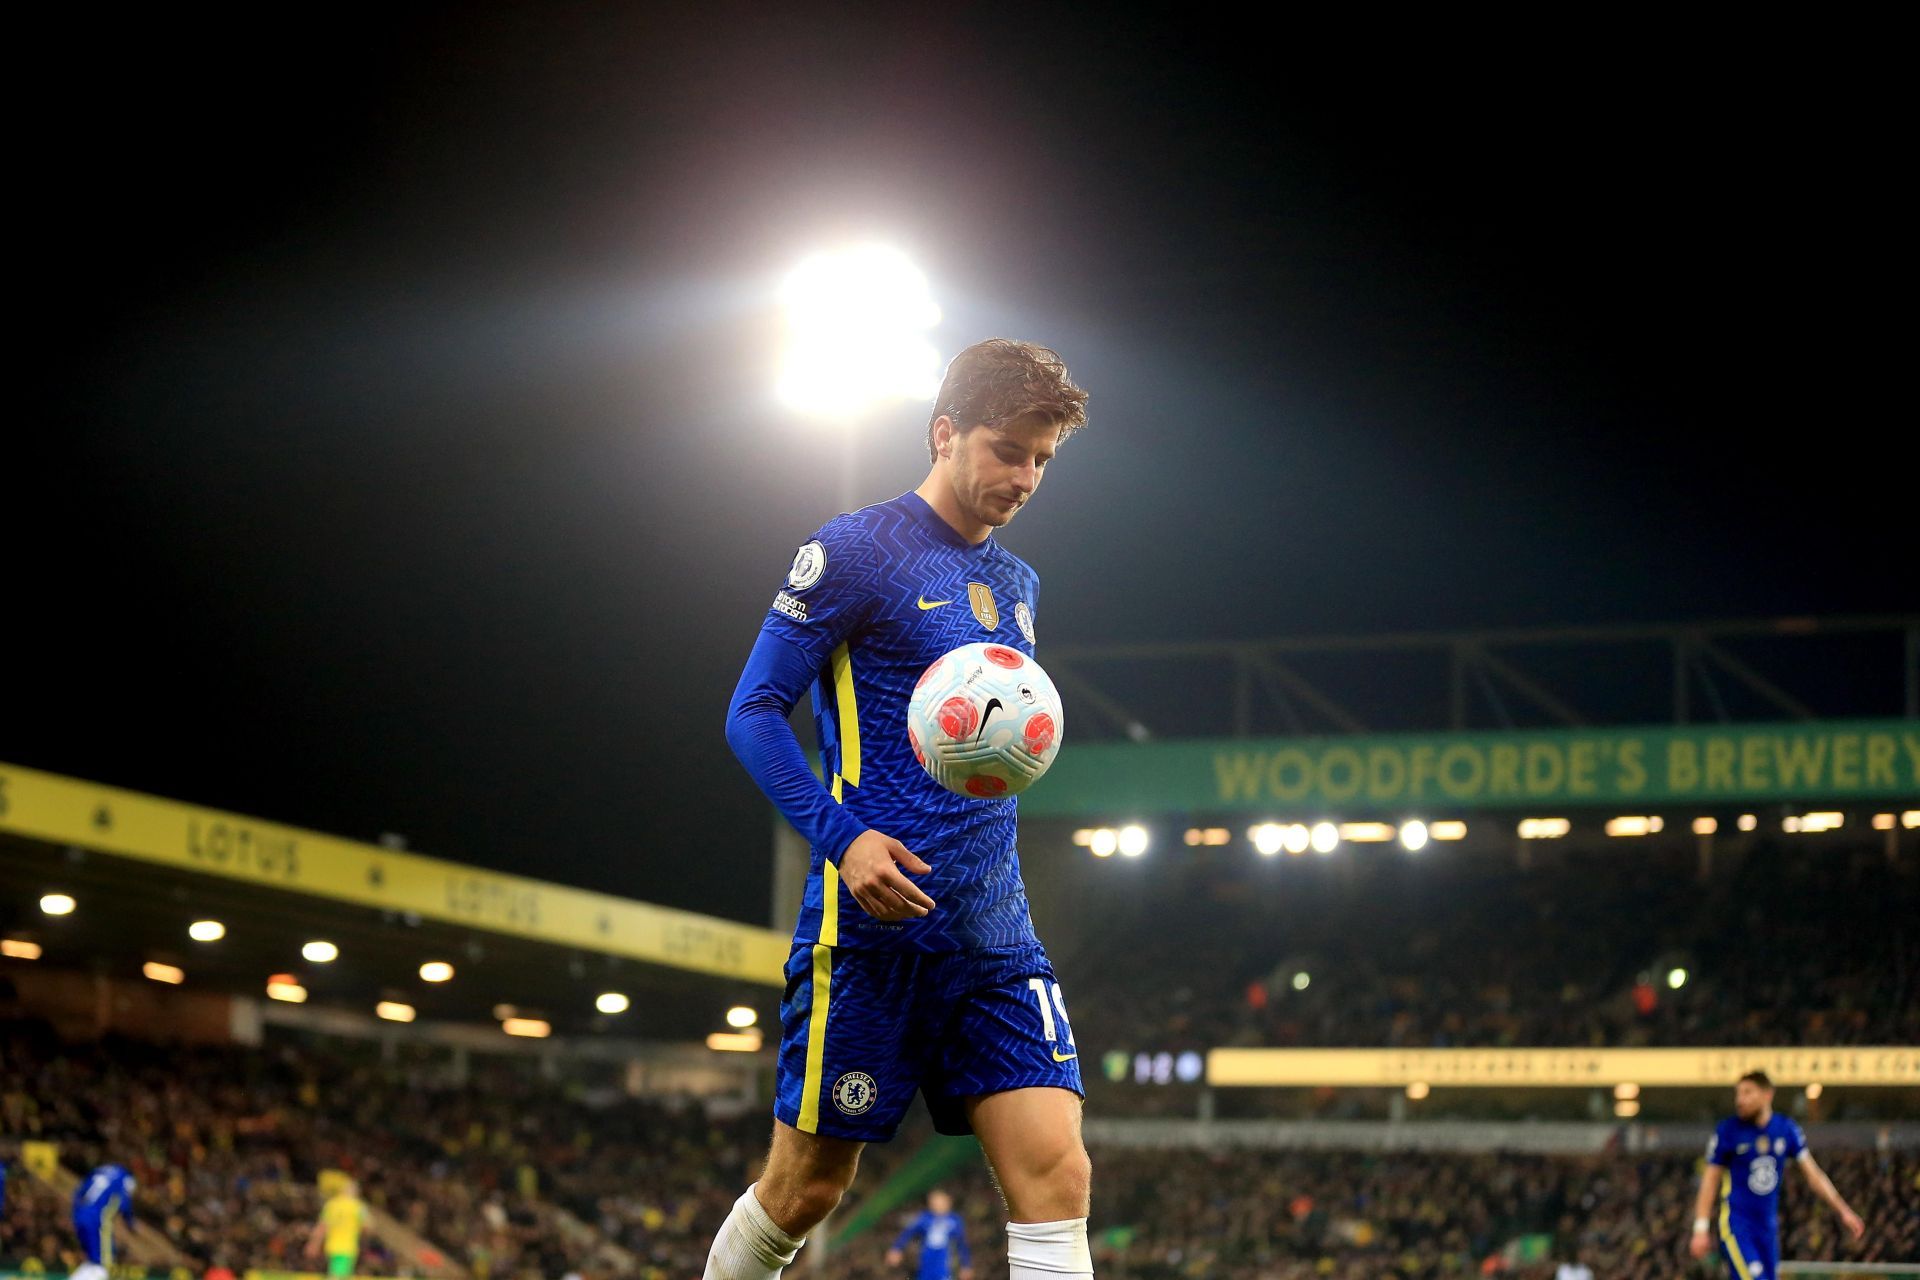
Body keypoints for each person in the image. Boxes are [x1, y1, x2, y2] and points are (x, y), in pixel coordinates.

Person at [706, 339, 1094, 1280]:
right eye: (1009, 450)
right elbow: (752, 712)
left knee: (1059, 1178)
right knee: (805, 1190)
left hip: (996, 934)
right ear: (944, 432)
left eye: (1043, 460)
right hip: (873, 934)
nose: (1027, 477)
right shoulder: (851, 552)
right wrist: (844, 842)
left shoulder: (1018, 586)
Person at [1687, 1070, 1865, 1278]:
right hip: (1737, 1226)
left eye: (1747, 1093)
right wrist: (1700, 1228)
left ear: (1767, 1095)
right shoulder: (1728, 1131)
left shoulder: (1786, 1129)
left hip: (1768, 1228)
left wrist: (1843, 1210)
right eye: (1738, 1094)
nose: (1740, 1100)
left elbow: (1813, 1175)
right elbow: (1710, 1180)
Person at [887, 1189, 973, 1280]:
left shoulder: (954, 1221)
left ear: (948, 1202)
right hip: (925, 1263)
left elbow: (962, 1244)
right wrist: (896, 1248)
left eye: (941, 1202)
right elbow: (908, 1232)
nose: (938, 1206)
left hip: (944, 1264)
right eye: (934, 1203)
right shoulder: (925, 1218)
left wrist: (966, 1265)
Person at [70, 1163, 136, 1280]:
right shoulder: (124, 1177)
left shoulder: (99, 1171)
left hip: (79, 1216)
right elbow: (125, 1202)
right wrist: (130, 1222)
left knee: (93, 1261)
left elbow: (78, 1193)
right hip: (97, 1220)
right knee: (104, 1263)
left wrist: (78, 1214)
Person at [306, 1177, 370, 1278]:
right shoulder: (359, 1207)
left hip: (332, 1245)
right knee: (338, 1276)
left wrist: (314, 1243)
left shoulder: (331, 1205)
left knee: (339, 1274)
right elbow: (367, 1226)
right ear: (356, 1192)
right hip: (347, 1247)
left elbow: (322, 1226)